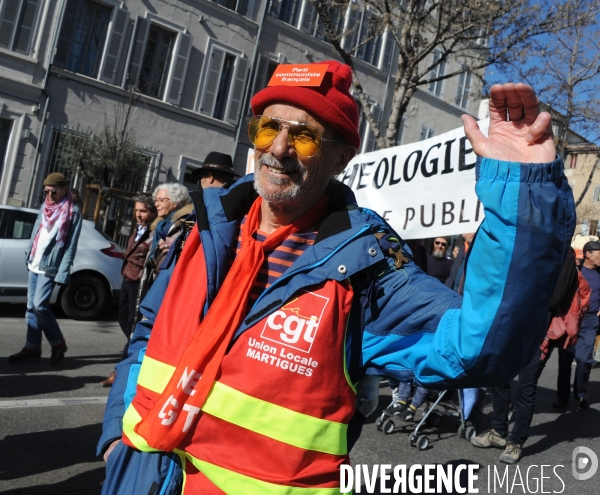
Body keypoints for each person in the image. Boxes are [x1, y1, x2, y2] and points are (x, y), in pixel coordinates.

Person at [98, 62, 574, 494]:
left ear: (341, 157)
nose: (279, 149)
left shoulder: (368, 270)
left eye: (303, 136)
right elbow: (146, 337)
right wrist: (117, 436)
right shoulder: (204, 232)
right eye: (269, 128)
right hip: (139, 480)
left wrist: (521, 198)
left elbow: (480, 349)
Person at [471, 249, 589, 464]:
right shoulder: (534, 251)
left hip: (541, 334)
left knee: (526, 386)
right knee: (499, 378)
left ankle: (516, 441)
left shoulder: (563, 257)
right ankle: (498, 432)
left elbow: (555, 299)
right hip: (517, 328)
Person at [8, 173, 82, 364]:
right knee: (30, 308)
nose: (49, 195)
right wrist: (28, 254)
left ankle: (58, 344)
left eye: (53, 191)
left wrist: (63, 271)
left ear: (64, 190)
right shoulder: (44, 206)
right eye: (46, 191)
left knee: (40, 306)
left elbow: (70, 246)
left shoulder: (73, 212)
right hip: (34, 262)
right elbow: (37, 232)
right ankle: (32, 347)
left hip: (50, 265)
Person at [101, 195, 158, 387]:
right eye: (137, 211)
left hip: (139, 282)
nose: (139, 215)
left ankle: (121, 370)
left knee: (133, 324)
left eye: (143, 211)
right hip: (128, 278)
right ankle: (141, 350)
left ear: (152, 212)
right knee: (122, 318)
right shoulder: (138, 229)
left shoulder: (153, 232)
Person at [555, 240, 600, 408]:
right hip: (571, 319)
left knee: (584, 359)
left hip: (590, 321)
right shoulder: (574, 271)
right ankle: (562, 397)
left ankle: (581, 393)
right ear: (588, 254)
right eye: (599, 253)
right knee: (565, 361)